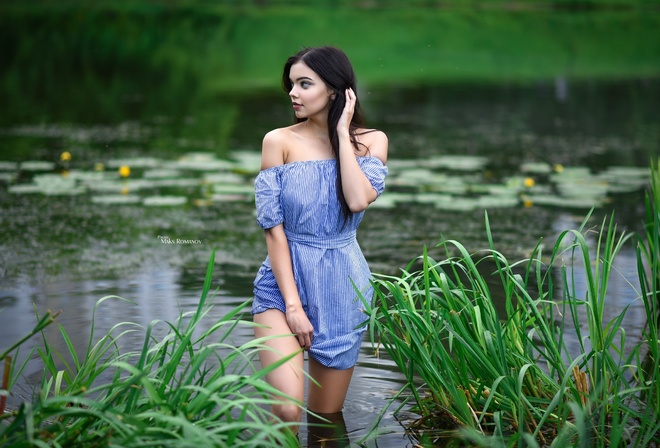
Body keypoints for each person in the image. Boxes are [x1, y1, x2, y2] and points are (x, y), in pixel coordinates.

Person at [252, 46, 388, 436]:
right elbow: (273, 230)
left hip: (343, 289)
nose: (293, 93)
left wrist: (343, 136)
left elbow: (358, 199)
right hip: (283, 288)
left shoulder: (371, 141)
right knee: (287, 409)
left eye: (304, 83)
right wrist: (293, 306)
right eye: (291, 84)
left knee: (325, 422)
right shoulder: (278, 141)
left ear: (334, 90)